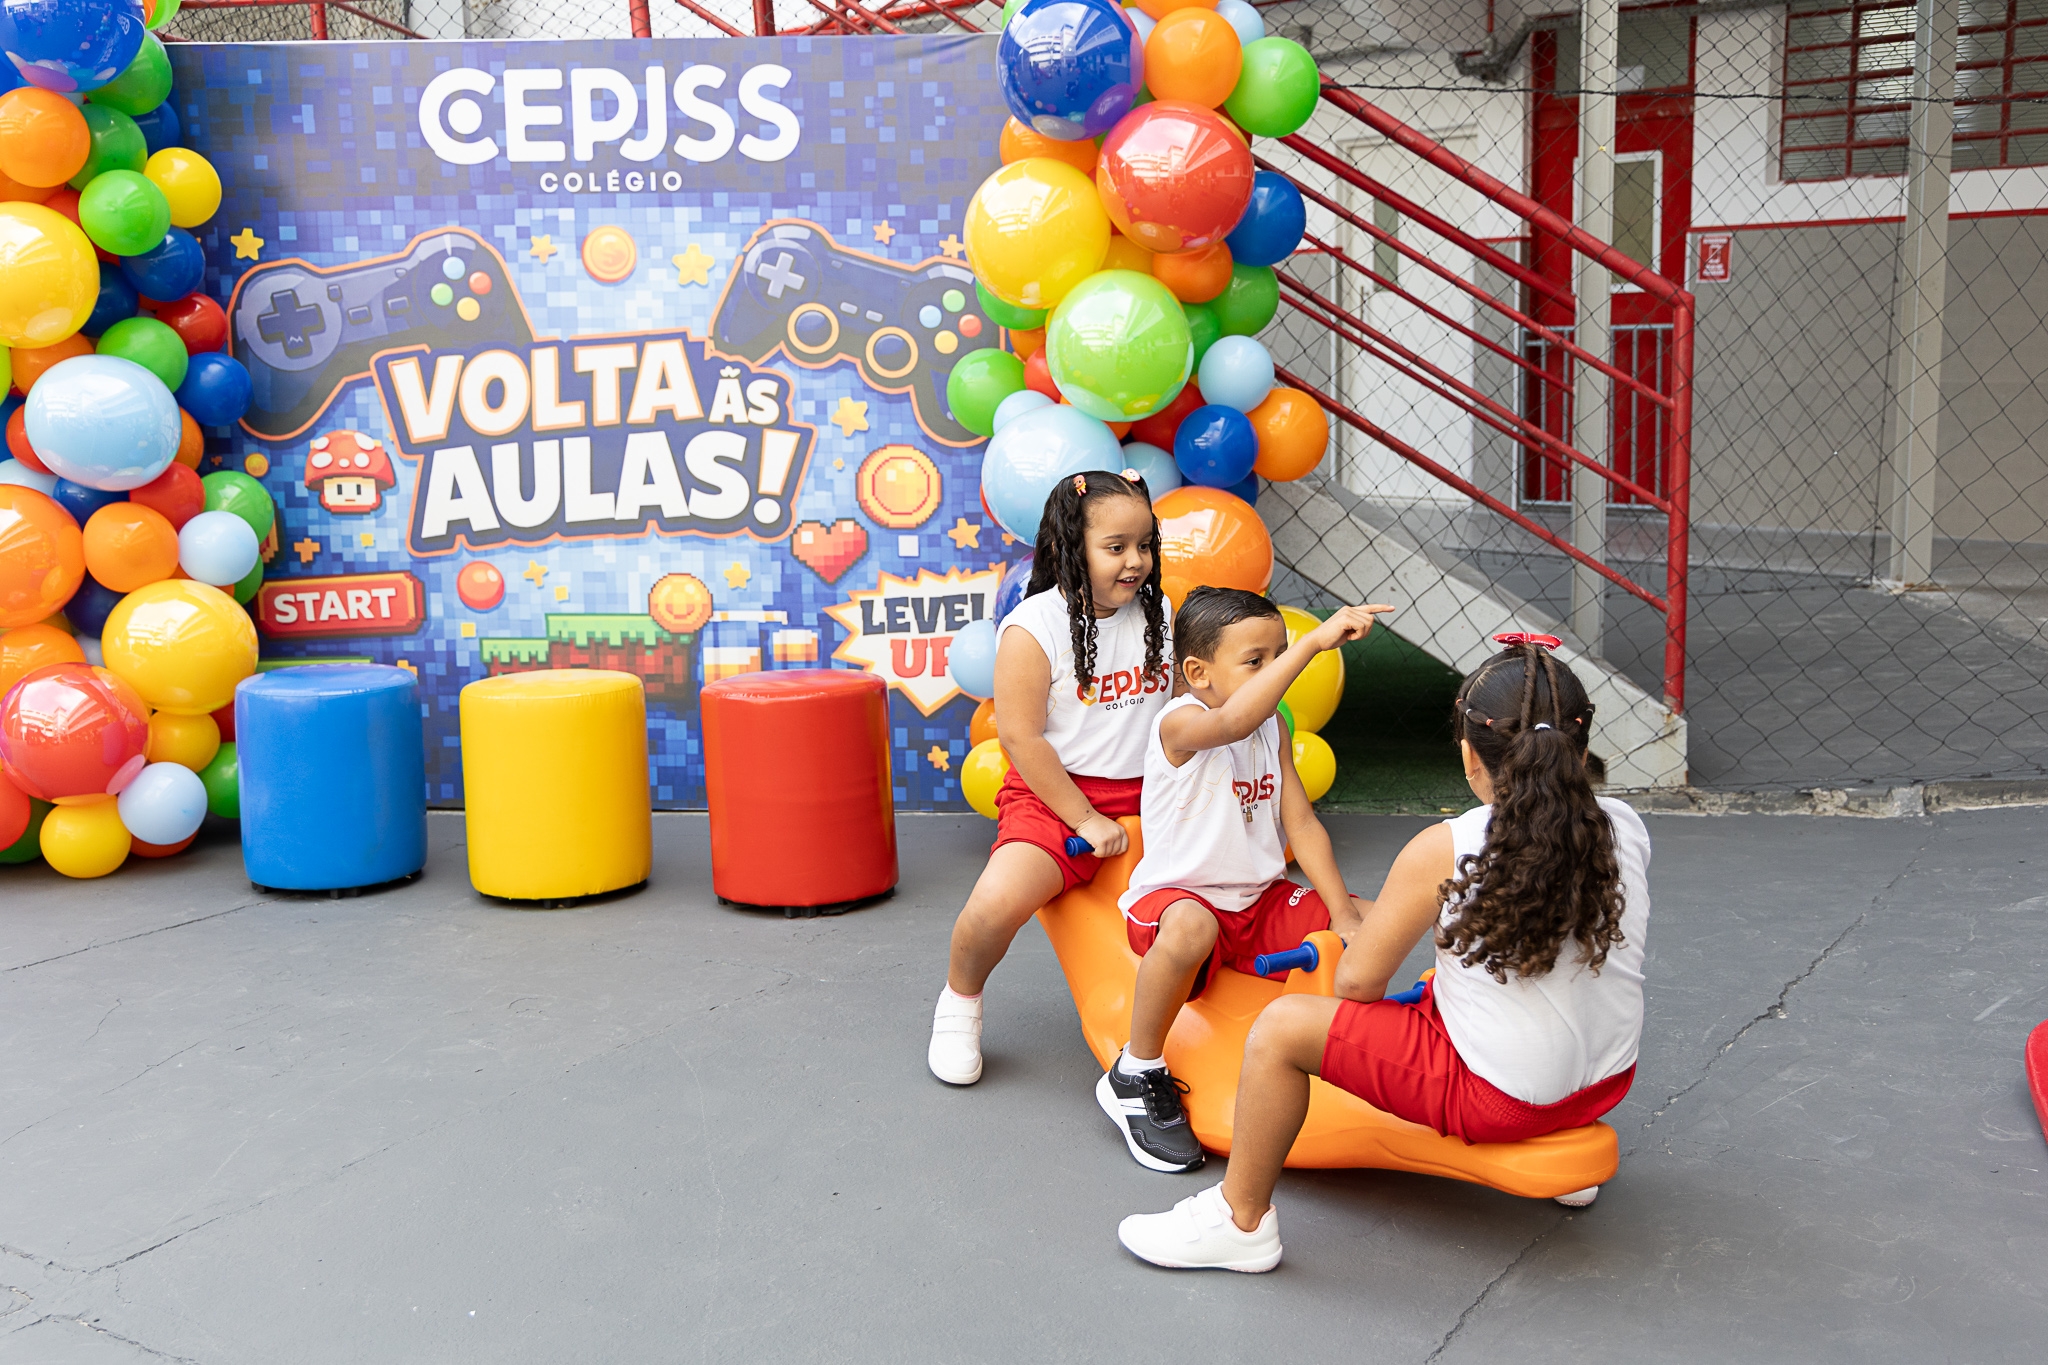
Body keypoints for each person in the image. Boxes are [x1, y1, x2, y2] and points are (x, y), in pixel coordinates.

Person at [1116, 637, 1651, 1272]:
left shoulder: (1446, 846)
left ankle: (1240, 1220)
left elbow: (1357, 984)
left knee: (1281, 1029)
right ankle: (1558, 1137)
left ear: (1468, 755)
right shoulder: (1625, 825)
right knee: (1459, 982)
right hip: (1604, 1086)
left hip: (1501, 1101)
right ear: (1580, 748)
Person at [1098, 588, 1392, 1173]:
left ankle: (1376, 1046)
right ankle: (1136, 1070)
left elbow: (1301, 823)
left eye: (1279, 653)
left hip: (1259, 902)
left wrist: (1344, 915)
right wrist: (1312, 644)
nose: (1275, 670)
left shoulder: (1272, 729)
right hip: (1178, 900)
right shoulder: (1180, 723)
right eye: (1257, 661)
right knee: (1192, 926)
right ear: (1197, 673)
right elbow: (1233, 721)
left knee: (1381, 918)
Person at [929, 470, 1173, 1086]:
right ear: (1070, 547)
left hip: (1151, 794)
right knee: (995, 905)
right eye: (1115, 547)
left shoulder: (1160, 612)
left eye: (1144, 545)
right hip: (1055, 795)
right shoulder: (1032, 627)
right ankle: (960, 1000)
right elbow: (1022, 739)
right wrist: (1085, 819)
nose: (1136, 561)